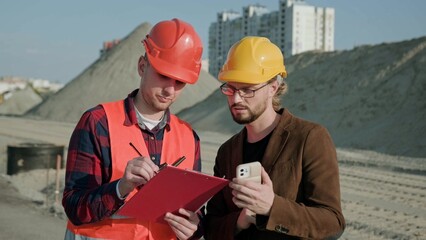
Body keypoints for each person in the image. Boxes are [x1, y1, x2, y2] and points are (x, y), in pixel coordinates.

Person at [62, 18, 204, 240]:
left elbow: (194, 213)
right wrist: (122, 187)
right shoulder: (98, 122)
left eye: (179, 82)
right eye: (163, 75)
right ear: (142, 66)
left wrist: (194, 228)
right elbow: (75, 207)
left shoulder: (189, 137)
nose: (169, 90)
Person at [204, 36, 345, 239]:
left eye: (247, 90)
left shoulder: (309, 138)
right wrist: (239, 221)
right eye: (231, 88)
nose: (236, 98)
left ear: (273, 87)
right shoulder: (227, 151)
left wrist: (272, 207)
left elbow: (333, 223)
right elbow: (212, 227)